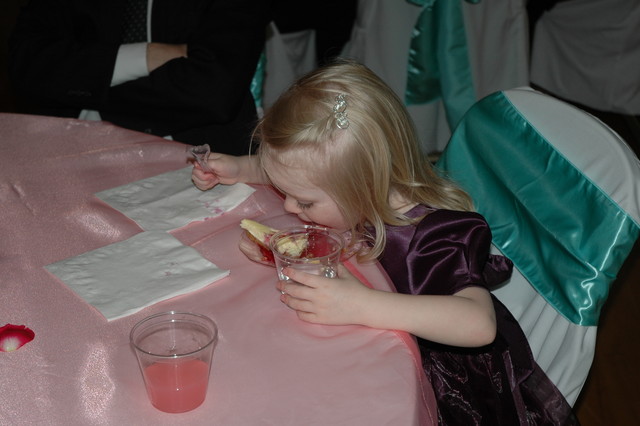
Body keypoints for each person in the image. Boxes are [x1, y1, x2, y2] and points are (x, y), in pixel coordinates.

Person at [191, 60, 578, 424]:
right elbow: (298, 172)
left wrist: (358, 303)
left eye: (304, 202)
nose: (290, 206)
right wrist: (242, 167)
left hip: (441, 382)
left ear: (361, 184)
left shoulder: (435, 234)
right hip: (367, 344)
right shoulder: (357, 190)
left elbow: (478, 325)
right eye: (284, 191)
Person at [8, 0, 273, 155]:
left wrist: (86, 87)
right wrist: (145, 56)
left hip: (202, 152)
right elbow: (26, 64)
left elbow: (213, 91)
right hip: (73, 148)